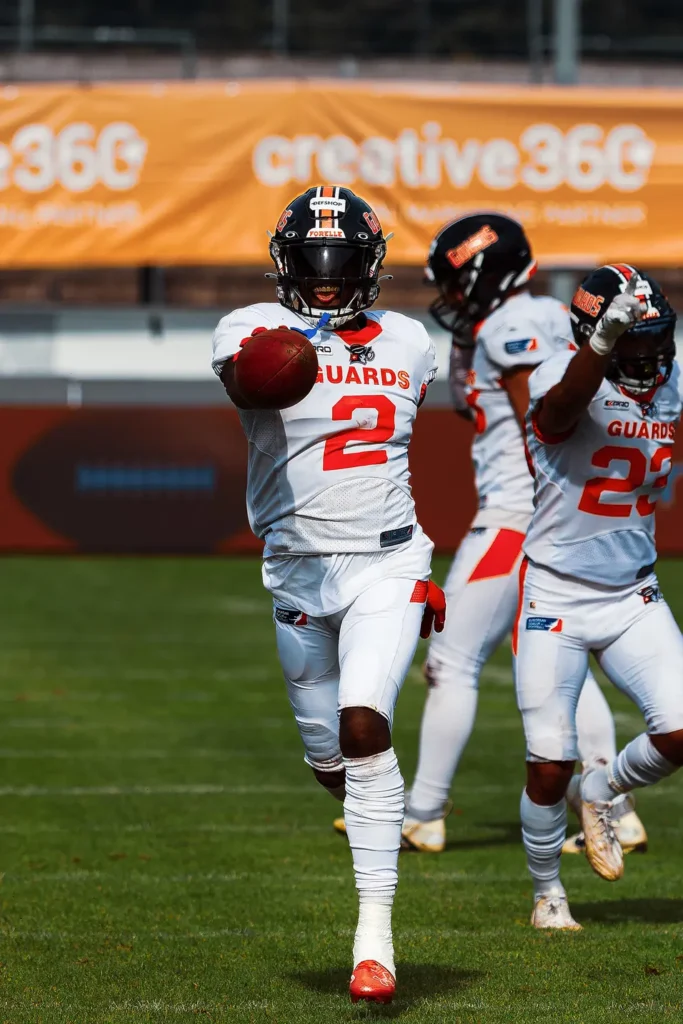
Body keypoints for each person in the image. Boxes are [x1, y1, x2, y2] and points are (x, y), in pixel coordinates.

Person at [212, 185, 445, 1004]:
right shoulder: (245, 328)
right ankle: (378, 815)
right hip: (299, 570)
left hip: (387, 562)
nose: (323, 280)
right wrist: (288, 355)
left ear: (367, 266)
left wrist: (419, 585)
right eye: (310, 263)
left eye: (339, 263)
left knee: (362, 726)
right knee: (331, 763)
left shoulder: (413, 341)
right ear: (284, 263)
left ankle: (373, 942)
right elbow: (249, 384)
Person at [400, 214, 645, 856]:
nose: (450, 298)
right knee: (557, 658)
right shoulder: (525, 317)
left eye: (457, 284)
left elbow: (538, 422)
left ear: (486, 276)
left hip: (516, 514)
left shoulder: (513, 324)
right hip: (530, 511)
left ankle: (423, 811)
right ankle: (613, 806)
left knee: (452, 661)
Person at [515, 263, 683, 929]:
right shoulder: (558, 373)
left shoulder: (669, 381)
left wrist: (622, 341)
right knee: (547, 763)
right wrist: (601, 349)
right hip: (555, 594)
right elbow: (558, 411)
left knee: (678, 731)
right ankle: (547, 893)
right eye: (628, 345)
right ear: (593, 335)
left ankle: (605, 786)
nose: (644, 359)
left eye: (652, 344)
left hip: (632, 594)